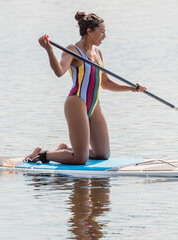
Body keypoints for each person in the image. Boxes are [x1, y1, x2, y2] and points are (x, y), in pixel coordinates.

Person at [29, 11, 146, 165]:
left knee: (102, 155)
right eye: (102, 32)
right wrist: (49, 50)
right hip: (77, 102)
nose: (104, 36)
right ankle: (41, 154)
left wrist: (131, 88)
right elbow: (59, 72)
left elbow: (105, 83)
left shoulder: (98, 53)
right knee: (80, 159)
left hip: (94, 105)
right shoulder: (72, 49)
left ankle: (63, 150)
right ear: (89, 31)